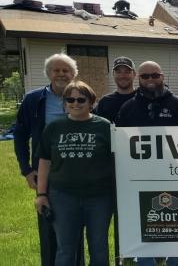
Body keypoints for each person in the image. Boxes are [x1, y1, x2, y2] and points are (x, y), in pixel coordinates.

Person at [115, 61, 178, 266]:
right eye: (145, 76)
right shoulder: (128, 108)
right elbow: (121, 146)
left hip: (175, 177)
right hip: (140, 179)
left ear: (162, 76)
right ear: (137, 78)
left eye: (154, 75)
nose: (150, 80)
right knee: (145, 225)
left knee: (176, 227)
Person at [14, 53, 85, 266]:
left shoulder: (82, 96)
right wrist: (26, 170)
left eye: (66, 70)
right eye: (57, 70)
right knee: (48, 225)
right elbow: (20, 135)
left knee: (74, 227)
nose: (62, 74)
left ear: (74, 74)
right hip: (45, 172)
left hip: (77, 172)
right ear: (49, 74)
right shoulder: (34, 99)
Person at [33, 80, 113, 266]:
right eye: (70, 100)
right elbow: (44, 162)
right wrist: (41, 194)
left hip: (99, 197)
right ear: (65, 103)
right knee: (66, 249)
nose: (75, 103)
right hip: (63, 196)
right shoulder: (54, 128)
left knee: (99, 247)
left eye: (80, 99)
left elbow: (116, 161)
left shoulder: (105, 127)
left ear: (91, 102)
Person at [94, 56, 136, 123]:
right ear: (113, 74)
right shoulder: (105, 102)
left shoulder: (142, 98)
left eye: (127, 72)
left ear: (134, 74)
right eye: (118, 72)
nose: (122, 76)